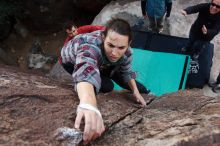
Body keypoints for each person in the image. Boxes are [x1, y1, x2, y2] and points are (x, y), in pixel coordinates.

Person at [60, 18, 149, 144]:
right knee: (107, 86)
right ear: (103, 38)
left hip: (104, 62)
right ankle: (104, 71)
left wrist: (135, 91)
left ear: (129, 44)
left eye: (121, 47)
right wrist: (88, 104)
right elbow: (86, 70)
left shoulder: (128, 52)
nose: (114, 52)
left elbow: (127, 72)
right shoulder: (90, 46)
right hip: (70, 61)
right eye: (111, 45)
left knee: (139, 87)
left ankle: (144, 90)